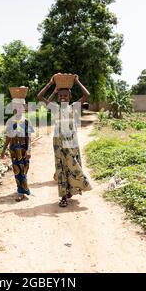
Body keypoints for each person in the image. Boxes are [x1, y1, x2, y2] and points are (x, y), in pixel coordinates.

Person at [37, 74, 92, 207]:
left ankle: (72, 190)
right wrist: (51, 85)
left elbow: (87, 95)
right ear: (57, 97)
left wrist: (77, 81)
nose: (62, 98)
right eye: (60, 96)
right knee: (61, 168)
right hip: (58, 143)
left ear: (70, 97)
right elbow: (40, 98)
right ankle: (63, 196)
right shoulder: (55, 108)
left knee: (73, 166)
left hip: (72, 143)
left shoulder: (73, 107)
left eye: (65, 96)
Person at [1, 95, 35, 202]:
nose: (19, 109)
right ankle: (21, 191)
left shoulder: (27, 121)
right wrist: (3, 150)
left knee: (24, 169)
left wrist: (29, 150)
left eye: (21, 106)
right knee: (17, 171)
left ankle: (22, 188)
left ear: (24, 108)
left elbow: (29, 137)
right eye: (16, 106)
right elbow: (8, 137)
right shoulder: (10, 121)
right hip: (14, 150)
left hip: (24, 150)